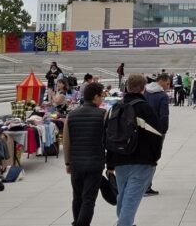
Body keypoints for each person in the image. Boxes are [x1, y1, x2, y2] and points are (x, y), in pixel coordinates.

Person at [108, 74, 164, 226]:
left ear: (126, 88)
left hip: (119, 159)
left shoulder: (115, 108)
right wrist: (154, 158)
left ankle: (124, 222)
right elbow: (157, 136)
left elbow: (108, 136)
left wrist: (110, 164)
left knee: (123, 197)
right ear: (142, 88)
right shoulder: (145, 108)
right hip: (141, 160)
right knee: (131, 199)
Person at [63, 82, 107, 226]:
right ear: (95, 97)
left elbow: (67, 142)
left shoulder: (71, 115)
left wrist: (68, 162)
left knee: (77, 197)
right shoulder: (103, 115)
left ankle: (77, 222)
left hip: (76, 164)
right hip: (95, 164)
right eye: (101, 96)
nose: (102, 99)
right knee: (89, 199)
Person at [143, 74, 171, 196]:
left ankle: (141, 184)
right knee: (153, 159)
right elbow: (164, 116)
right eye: (168, 83)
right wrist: (163, 130)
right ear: (162, 81)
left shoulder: (145, 92)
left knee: (143, 157)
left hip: (143, 129)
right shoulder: (162, 96)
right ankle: (146, 186)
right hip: (156, 131)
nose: (168, 86)